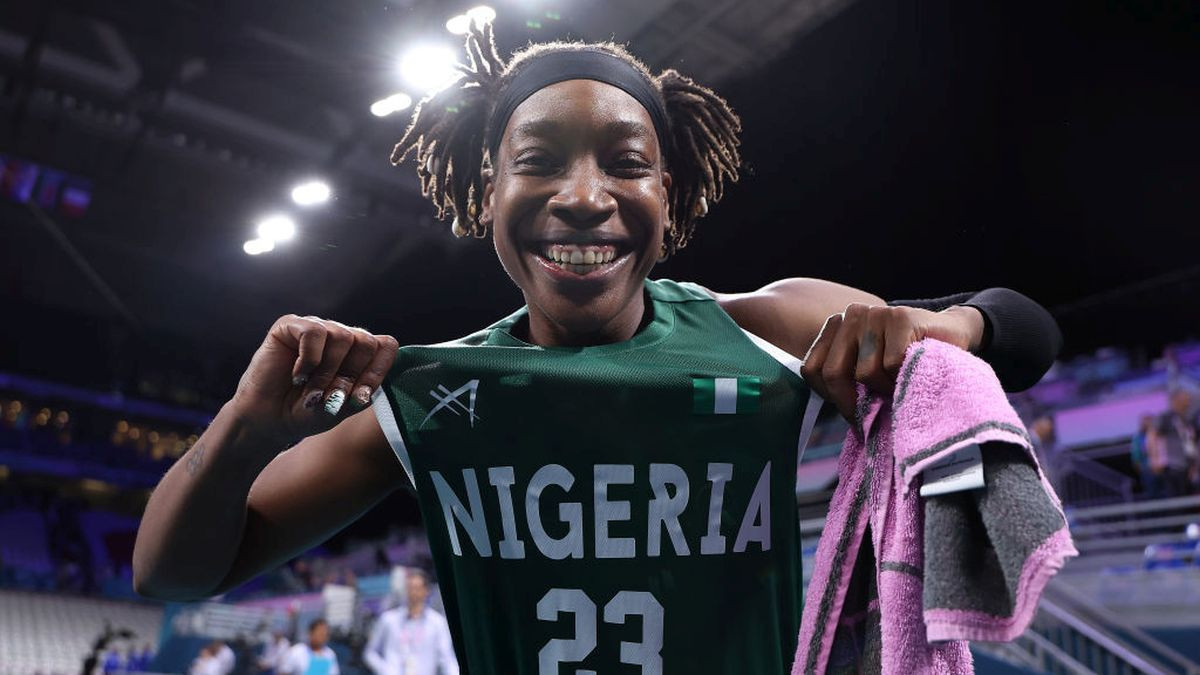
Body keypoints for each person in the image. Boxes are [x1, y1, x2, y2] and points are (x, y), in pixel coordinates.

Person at [132, 22, 1063, 673]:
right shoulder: (432, 394)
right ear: (485, 189)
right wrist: (247, 426)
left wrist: (946, 328)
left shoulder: (765, 328)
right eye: (538, 161)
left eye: (624, 162)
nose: (583, 195)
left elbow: (1021, 329)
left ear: (670, 185)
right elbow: (173, 572)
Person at [364, 569, 458, 675]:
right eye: (410, 588)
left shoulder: (437, 623)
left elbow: (447, 659)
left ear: (426, 591)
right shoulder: (389, 620)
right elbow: (370, 653)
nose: (413, 593)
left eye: (417, 588)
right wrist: (385, 670)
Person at [1148, 389, 1199, 497]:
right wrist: (1155, 459)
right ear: (1176, 400)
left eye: (1188, 400)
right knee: (1176, 498)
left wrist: (1193, 464)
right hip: (1172, 465)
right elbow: (1152, 436)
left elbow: (1190, 443)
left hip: (1187, 466)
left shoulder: (1187, 419)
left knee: (1189, 498)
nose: (1188, 402)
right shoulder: (1166, 417)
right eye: (1185, 399)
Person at [1130, 413, 1162, 498]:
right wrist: (1141, 468)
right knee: (1152, 494)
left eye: (1150, 421)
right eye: (1145, 421)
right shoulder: (1138, 437)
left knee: (1165, 493)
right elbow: (1136, 456)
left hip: (1162, 468)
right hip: (1147, 469)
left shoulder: (1159, 434)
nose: (1148, 423)